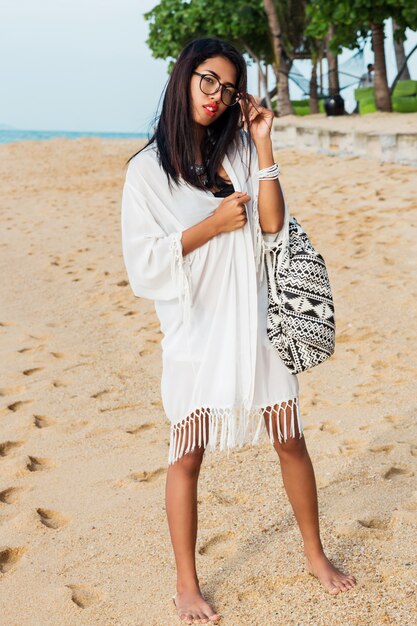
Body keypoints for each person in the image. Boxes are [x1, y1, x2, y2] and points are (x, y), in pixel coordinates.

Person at [121, 37, 357, 625]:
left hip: (254, 318)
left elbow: (272, 222)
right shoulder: (147, 171)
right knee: (187, 454)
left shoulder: (239, 150)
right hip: (196, 329)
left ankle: (315, 554)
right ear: (184, 79)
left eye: (227, 88)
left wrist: (263, 140)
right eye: (207, 82)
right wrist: (211, 225)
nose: (215, 96)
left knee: (290, 437)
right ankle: (186, 584)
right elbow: (142, 263)